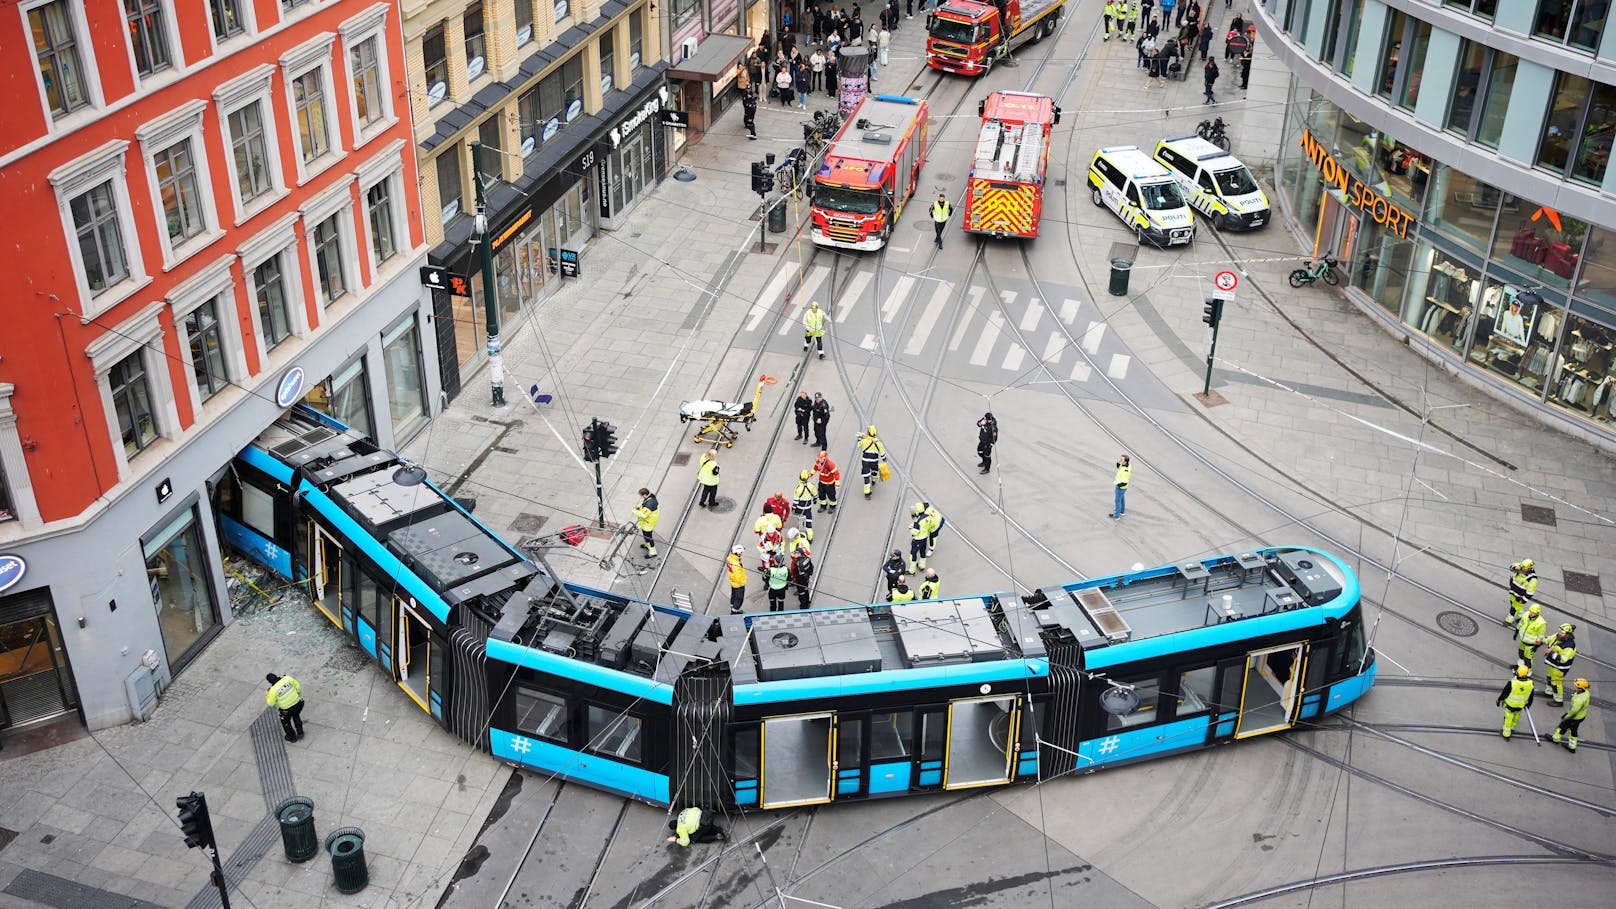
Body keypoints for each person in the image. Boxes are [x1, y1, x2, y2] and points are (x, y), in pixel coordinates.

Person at [1496, 664, 1535, 740]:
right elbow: (1531, 696)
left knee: (1508, 718)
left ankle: (1506, 734)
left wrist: (1499, 699)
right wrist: (1529, 704)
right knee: (1516, 716)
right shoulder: (1531, 683)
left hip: (1510, 705)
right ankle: (1512, 728)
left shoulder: (1512, 683)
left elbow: (1504, 693)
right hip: (1520, 705)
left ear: (1517, 673)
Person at [1553, 679, 1591, 752]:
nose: (1574, 687)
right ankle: (1572, 746)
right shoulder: (1586, 693)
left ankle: (1555, 739)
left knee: (1562, 727)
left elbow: (1573, 711)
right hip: (1581, 716)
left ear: (1580, 688)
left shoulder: (1579, 700)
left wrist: (1566, 717)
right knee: (1573, 730)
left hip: (1573, 717)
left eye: (1576, 686)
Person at [1543, 624, 1577, 705]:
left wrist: (1550, 652)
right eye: (1559, 631)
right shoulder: (1559, 636)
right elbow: (1550, 638)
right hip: (1552, 664)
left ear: (1568, 635)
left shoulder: (1569, 646)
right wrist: (1541, 641)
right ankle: (1549, 692)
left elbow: (1563, 660)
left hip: (1559, 668)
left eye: (1562, 633)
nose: (1559, 633)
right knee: (1549, 677)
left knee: (1556, 683)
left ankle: (1558, 701)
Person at [266, 673, 305, 742]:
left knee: (286, 722)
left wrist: (267, 695)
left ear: (270, 682)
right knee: (296, 716)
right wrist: (297, 696)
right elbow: (298, 687)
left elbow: (271, 703)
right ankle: (300, 732)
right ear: (276, 676)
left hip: (286, 709)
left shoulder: (273, 690)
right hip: (297, 703)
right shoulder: (287, 678)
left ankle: (292, 737)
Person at [1506, 558, 1539, 627]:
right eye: (1522, 566)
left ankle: (1509, 620)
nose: (1522, 568)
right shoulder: (1520, 566)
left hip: (1520, 596)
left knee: (1514, 609)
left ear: (1530, 568)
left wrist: (1523, 600)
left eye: (1524, 568)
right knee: (1513, 604)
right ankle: (1524, 617)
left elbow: (1530, 592)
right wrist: (1515, 567)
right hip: (1513, 591)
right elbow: (1511, 567)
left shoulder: (1532, 579)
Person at [857, 425, 887, 498]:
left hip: (865, 461)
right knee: (874, 471)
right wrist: (884, 460)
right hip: (874, 461)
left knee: (866, 476)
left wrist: (859, 439)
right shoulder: (878, 442)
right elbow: (882, 452)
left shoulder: (864, 441)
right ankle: (874, 480)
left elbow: (859, 446)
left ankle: (867, 493)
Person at [1516, 603, 1549, 668]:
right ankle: (1519, 667)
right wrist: (1517, 630)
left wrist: (1536, 646)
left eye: (1533, 612)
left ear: (1537, 613)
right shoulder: (1526, 614)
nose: (1530, 613)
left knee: (1528, 659)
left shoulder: (1541, 623)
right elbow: (1521, 623)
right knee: (1521, 654)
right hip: (1523, 641)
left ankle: (1527, 672)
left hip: (1530, 645)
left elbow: (1540, 637)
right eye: (1530, 611)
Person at [755, 506, 783, 570]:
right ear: (772, 510)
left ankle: (766, 568)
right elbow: (779, 527)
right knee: (775, 552)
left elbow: (756, 530)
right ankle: (775, 565)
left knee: (765, 556)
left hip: (764, 540)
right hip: (775, 539)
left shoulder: (760, 519)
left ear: (764, 512)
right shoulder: (776, 517)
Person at [792, 469, 817, 540]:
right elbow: (815, 494)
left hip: (799, 509)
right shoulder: (811, 485)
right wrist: (815, 499)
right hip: (808, 508)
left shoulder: (798, 488)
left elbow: (796, 501)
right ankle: (810, 538)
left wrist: (793, 509)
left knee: (799, 523)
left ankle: (799, 537)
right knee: (808, 522)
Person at [634, 488, 659, 558]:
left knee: (648, 537)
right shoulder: (650, 497)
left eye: (641, 496)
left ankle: (653, 552)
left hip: (648, 523)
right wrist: (639, 506)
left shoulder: (650, 504)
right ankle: (648, 545)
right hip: (647, 522)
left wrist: (634, 511)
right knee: (646, 536)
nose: (641, 497)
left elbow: (643, 515)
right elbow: (644, 504)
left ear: (645, 495)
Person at [907, 503, 930, 574]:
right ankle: (921, 566)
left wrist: (911, 528)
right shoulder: (927, 517)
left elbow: (914, 532)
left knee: (913, 555)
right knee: (923, 552)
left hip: (917, 540)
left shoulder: (918, 521)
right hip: (924, 539)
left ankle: (912, 570)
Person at [726, 548, 748, 614]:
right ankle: (734, 612)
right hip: (739, 585)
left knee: (734, 596)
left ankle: (733, 607)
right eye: (741, 553)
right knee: (739, 599)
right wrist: (743, 582)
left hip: (733, 583)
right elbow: (738, 577)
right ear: (738, 554)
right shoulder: (736, 564)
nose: (741, 554)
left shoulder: (730, 559)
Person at [1110, 454, 1132, 519]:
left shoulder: (1125, 471)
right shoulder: (1126, 465)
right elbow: (1119, 467)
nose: (1120, 460)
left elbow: (1124, 483)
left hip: (1121, 487)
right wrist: (1118, 462)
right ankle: (1122, 511)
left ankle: (1116, 515)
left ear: (1125, 461)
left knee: (1117, 501)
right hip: (1123, 488)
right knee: (1121, 499)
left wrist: (1118, 485)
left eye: (1121, 459)